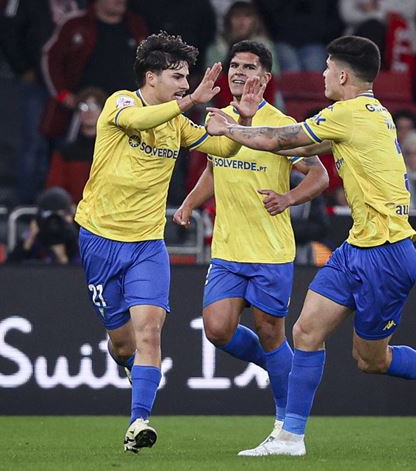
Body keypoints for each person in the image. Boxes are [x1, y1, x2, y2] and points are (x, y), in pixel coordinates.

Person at [206, 35, 416, 457]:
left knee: (372, 360)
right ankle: (290, 438)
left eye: (328, 68)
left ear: (344, 75)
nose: (322, 74)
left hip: (387, 253)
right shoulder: (366, 115)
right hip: (357, 246)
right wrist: (246, 123)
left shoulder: (349, 114)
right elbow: (300, 145)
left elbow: (279, 142)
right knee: (305, 332)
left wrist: (231, 127)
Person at [75, 32, 255, 453]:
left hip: (147, 246)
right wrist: (190, 102)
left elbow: (221, 147)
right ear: (150, 77)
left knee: (151, 333)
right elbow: (137, 123)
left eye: (186, 77)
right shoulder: (120, 103)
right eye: (177, 76)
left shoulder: (175, 122)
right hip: (100, 241)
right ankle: (128, 365)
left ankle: (138, 422)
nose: (183, 83)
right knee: (123, 343)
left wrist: (241, 120)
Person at [174, 40, 328, 444]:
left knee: (270, 332)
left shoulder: (281, 126)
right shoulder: (218, 120)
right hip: (227, 250)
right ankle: (287, 370)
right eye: (235, 67)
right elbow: (214, 164)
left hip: (269, 251)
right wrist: (190, 202)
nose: (240, 73)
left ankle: (284, 426)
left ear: (266, 78)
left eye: (250, 67)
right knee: (217, 328)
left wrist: (289, 198)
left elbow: (320, 176)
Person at [0, 0, 83, 204]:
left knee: (68, 143)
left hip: (74, 87)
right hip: (37, 83)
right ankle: (26, 202)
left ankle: (65, 203)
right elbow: (7, 31)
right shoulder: (26, 3)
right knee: (34, 144)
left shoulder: (82, 4)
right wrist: (22, 68)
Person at [44, 87, 106, 203]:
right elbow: (55, 187)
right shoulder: (65, 152)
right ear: (78, 113)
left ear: (103, 111)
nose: (89, 111)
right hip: (74, 214)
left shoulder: (113, 149)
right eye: (84, 107)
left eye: (94, 106)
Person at [8, 187, 79, 264]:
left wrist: (63, 259)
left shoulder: (75, 238)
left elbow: (84, 271)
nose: (54, 223)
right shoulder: (36, 237)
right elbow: (8, 270)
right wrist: (29, 238)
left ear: (70, 215)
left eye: (60, 217)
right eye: (50, 217)